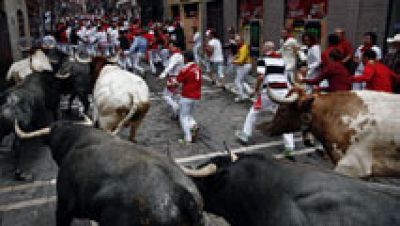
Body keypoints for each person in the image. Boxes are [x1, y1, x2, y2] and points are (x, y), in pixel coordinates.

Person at [235, 41, 296, 155]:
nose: (262, 49)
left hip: (269, 91)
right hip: (283, 91)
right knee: (283, 117)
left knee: (254, 112)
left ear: (266, 49)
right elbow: (286, 77)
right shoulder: (282, 61)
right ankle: (289, 147)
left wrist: (255, 90)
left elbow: (260, 76)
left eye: (263, 47)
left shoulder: (262, 60)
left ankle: (245, 135)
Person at [174, 51, 202, 144]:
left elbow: (176, 82)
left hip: (187, 96)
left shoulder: (185, 69)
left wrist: (171, 84)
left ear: (186, 58)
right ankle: (194, 126)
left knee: (183, 117)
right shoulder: (197, 68)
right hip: (196, 95)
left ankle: (188, 138)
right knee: (189, 115)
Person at [159, 43, 185, 119]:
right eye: (169, 47)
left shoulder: (175, 56)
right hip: (178, 78)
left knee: (166, 95)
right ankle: (176, 113)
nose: (170, 48)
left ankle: (176, 107)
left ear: (176, 47)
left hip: (173, 78)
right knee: (175, 96)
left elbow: (170, 66)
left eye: (171, 47)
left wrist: (162, 75)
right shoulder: (179, 55)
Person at [233, 34, 252, 102]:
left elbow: (241, 60)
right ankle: (249, 91)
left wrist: (234, 61)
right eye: (236, 41)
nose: (236, 42)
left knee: (237, 81)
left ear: (242, 41)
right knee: (241, 80)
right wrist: (236, 57)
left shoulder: (243, 48)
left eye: (238, 41)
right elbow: (239, 56)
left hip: (245, 65)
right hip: (245, 65)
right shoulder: (241, 47)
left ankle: (241, 96)